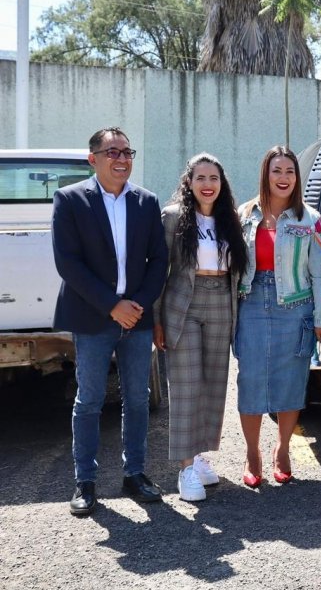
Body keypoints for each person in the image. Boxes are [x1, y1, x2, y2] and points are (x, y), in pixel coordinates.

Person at [52, 126, 168, 516]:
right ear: (93, 159)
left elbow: (159, 262)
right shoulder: (70, 200)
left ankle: (134, 473)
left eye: (127, 152)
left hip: (136, 318)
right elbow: (68, 263)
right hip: (92, 317)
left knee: (137, 399)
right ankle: (85, 481)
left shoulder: (146, 202)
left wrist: (136, 304)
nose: (122, 159)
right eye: (112, 152)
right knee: (89, 400)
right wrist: (111, 305)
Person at [153, 153, 248, 501]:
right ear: (189, 183)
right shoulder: (174, 217)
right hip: (184, 305)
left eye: (214, 178)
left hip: (221, 299)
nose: (208, 185)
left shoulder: (229, 218)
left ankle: (199, 456)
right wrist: (157, 320)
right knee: (186, 386)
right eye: (201, 178)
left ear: (222, 184)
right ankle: (184, 468)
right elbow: (158, 271)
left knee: (212, 385)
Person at [234, 146, 321, 488]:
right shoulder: (244, 214)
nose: (283, 177)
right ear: (266, 174)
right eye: (277, 170)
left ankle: (283, 449)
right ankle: (252, 452)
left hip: (296, 304)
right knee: (251, 379)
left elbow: (318, 273)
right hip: (253, 302)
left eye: (290, 171)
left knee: (291, 378)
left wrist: (320, 317)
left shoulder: (310, 219)